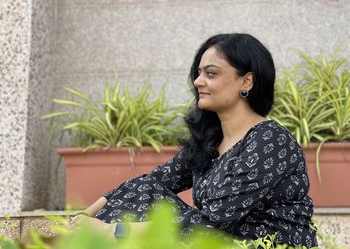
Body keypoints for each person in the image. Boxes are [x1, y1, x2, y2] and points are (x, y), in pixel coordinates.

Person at [70, 33, 318, 247]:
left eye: (210, 74)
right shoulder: (211, 141)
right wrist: (82, 217)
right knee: (146, 190)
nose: (198, 81)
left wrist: (115, 230)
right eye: (198, 73)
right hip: (218, 242)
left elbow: (213, 221)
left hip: (263, 245)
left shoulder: (270, 141)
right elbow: (152, 181)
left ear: (246, 81)